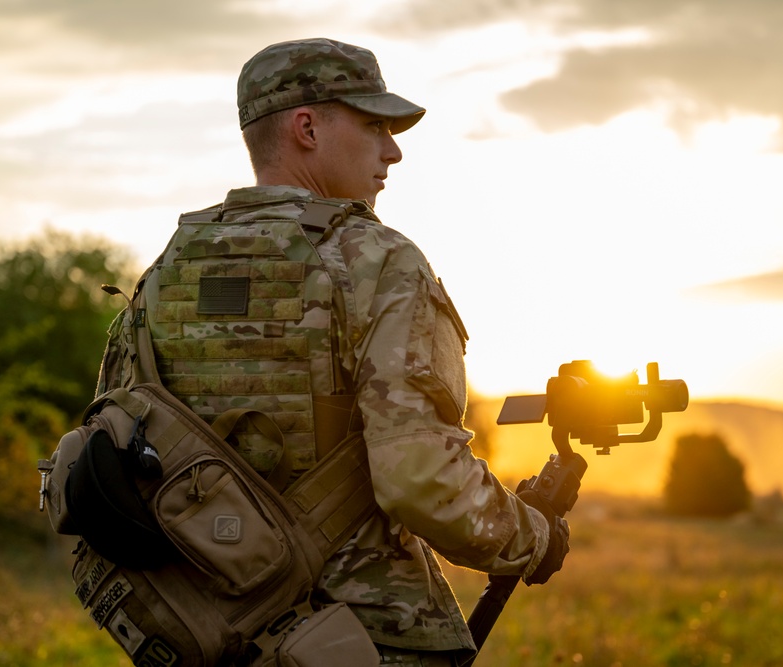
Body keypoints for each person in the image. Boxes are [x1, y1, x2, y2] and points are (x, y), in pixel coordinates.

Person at [140, 38, 570, 665]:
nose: (393, 150)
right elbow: (420, 479)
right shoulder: (379, 263)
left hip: (206, 635)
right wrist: (533, 534)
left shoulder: (166, 270)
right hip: (362, 638)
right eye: (374, 125)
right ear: (306, 127)